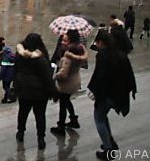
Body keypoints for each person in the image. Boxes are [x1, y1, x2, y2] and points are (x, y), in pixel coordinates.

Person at [88, 29, 137, 160]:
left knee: (98, 118)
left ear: (101, 42)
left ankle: (108, 149)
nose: (96, 45)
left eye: (96, 42)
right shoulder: (120, 53)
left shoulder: (103, 56)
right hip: (119, 95)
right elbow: (129, 74)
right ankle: (110, 142)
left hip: (107, 94)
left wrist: (94, 91)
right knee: (103, 116)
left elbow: (100, 77)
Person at [14, 33, 55, 150]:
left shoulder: (20, 55)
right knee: (40, 115)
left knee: (23, 112)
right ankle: (41, 138)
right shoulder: (41, 58)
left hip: (24, 90)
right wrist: (52, 91)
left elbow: (15, 69)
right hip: (39, 93)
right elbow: (47, 77)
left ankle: (20, 132)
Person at [50, 30, 88, 136]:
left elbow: (63, 74)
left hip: (66, 84)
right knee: (66, 101)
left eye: (65, 40)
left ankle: (61, 127)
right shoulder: (78, 50)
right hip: (75, 80)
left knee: (63, 105)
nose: (62, 42)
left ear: (71, 41)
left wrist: (54, 77)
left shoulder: (68, 56)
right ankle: (73, 120)